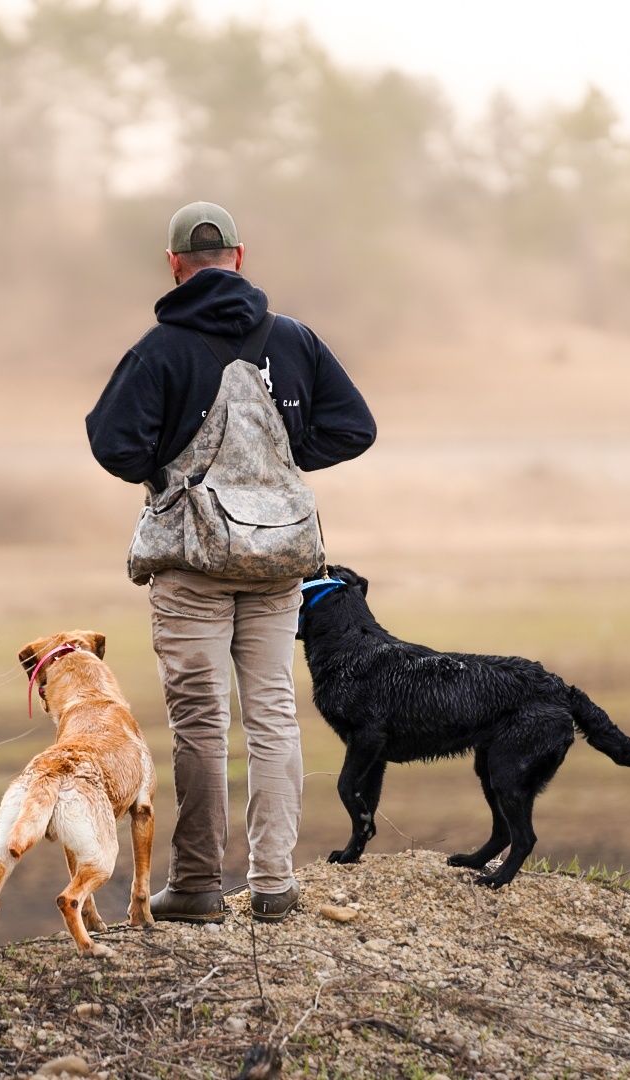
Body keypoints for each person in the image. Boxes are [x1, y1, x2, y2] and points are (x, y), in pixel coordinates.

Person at [86, 201, 376, 922]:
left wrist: (174, 477)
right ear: (239, 259)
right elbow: (355, 428)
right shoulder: (294, 341)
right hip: (280, 563)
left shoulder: (159, 351)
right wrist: (279, 469)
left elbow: (112, 444)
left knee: (200, 723)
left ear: (174, 264)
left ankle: (195, 888)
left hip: (192, 567)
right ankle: (274, 884)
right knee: (274, 714)